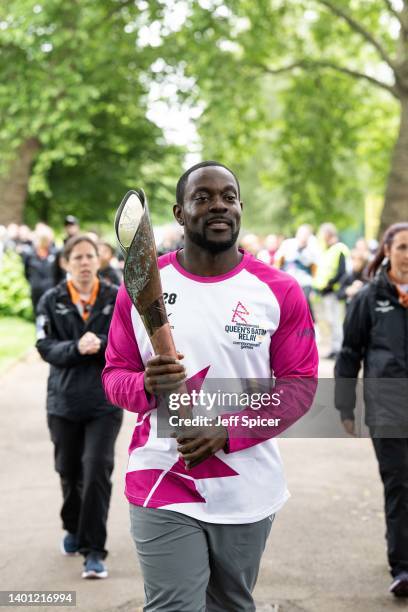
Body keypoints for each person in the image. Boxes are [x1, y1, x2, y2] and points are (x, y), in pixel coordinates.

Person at [102, 161, 318, 611]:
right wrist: (144, 383)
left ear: (240, 207)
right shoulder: (139, 287)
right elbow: (114, 376)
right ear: (180, 213)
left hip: (246, 487)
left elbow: (299, 387)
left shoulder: (278, 291)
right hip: (161, 477)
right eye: (203, 197)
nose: (219, 205)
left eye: (229, 196)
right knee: (172, 606)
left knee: (231, 604)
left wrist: (227, 431)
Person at [36, 235, 123, 580]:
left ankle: (94, 551)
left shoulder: (116, 298)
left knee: (97, 469)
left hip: (104, 402)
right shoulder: (51, 300)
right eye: (78, 257)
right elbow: (44, 345)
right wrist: (76, 347)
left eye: (90, 256)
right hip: (64, 402)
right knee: (69, 472)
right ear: (65, 263)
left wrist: (101, 344)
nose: (85, 262)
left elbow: (127, 343)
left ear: (99, 261)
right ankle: (72, 527)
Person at [335, 222, 408, 598]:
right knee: (399, 484)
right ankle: (404, 567)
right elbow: (349, 353)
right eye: (403, 248)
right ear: (388, 251)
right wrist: (345, 405)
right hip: (388, 408)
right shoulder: (368, 297)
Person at [313, 223, 350, 359]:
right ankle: (334, 349)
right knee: (330, 321)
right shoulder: (327, 250)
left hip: (335, 292)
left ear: (329, 234)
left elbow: (342, 272)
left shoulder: (339, 249)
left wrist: (329, 284)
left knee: (336, 321)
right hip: (326, 292)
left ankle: (339, 349)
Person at [274, 224, 319, 318]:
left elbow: (315, 268)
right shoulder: (288, 244)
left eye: (306, 234)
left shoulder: (313, 248)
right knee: (287, 305)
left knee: (304, 303)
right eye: (302, 233)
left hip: (305, 281)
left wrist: (314, 289)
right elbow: (278, 261)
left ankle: (309, 324)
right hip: (289, 279)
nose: (303, 236)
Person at [23, 224, 57, 313]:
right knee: (38, 314)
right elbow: (26, 272)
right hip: (36, 289)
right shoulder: (30, 254)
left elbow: (58, 272)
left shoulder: (55, 253)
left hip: (51, 289)